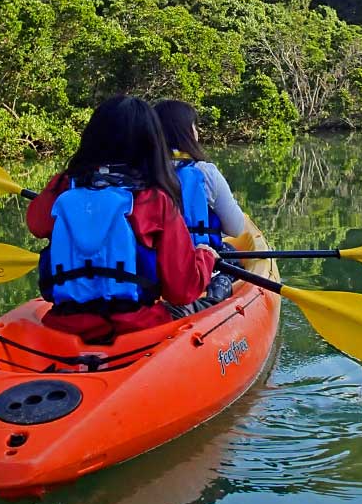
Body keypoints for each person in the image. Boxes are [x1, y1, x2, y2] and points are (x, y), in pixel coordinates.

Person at [27, 95, 219, 342]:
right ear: (151, 144)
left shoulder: (63, 187)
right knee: (212, 298)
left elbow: (35, 224)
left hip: (64, 326)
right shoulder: (154, 200)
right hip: (138, 328)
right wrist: (205, 256)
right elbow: (181, 291)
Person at [154, 99, 247, 316]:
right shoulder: (205, 172)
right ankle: (211, 300)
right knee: (231, 255)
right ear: (188, 131)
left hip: (155, 268)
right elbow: (236, 228)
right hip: (198, 263)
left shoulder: (141, 174)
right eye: (195, 126)